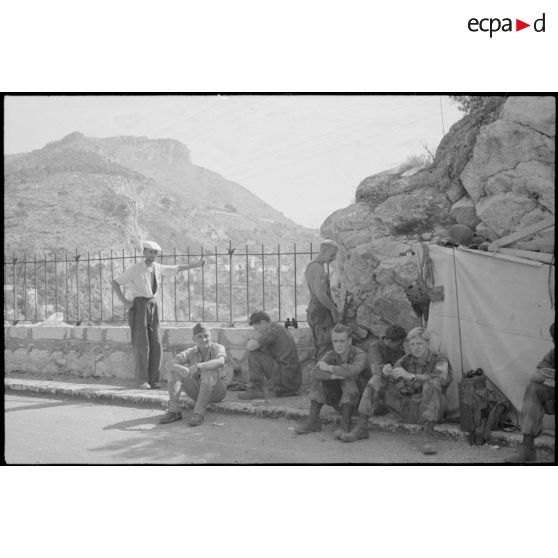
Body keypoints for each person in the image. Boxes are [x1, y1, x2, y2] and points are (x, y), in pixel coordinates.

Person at [111, 240, 204, 389]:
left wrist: (196, 265)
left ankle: (154, 379)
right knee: (142, 344)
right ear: (144, 252)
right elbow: (115, 283)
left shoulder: (157, 268)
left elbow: (176, 268)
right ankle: (141, 380)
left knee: (156, 343)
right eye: (150, 252)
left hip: (152, 305)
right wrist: (126, 303)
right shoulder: (135, 268)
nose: (153, 255)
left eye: (155, 252)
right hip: (139, 305)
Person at [342, 327, 452, 442]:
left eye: (419, 343)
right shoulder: (404, 361)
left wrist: (412, 377)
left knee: (432, 383)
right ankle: (361, 427)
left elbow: (441, 379)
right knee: (377, 380)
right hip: (408, 409)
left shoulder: (440, 359)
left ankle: (428, 436)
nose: (416, 348)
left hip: (431, 412)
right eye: (412, 344)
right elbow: (396, 383)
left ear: (427, 343)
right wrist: (384, 371)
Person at [294, 324, 370, 438]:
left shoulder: (360, 355)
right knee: (319, 381)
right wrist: (334, 376)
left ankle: (345, 425)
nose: (338, 345)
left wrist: (329, 368)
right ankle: (313, 421)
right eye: (335, 341)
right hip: (340, 402)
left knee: (347, 380)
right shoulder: (331, 354)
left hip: (358, 404)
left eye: (342, 341)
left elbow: (352, 371)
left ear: (349, 341)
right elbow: (315, 372)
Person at [340, 325, 407, 442]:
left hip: (393, 393)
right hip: (372, 394)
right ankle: (361, 427)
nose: (401, 346)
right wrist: (387, 370)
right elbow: (376, 370)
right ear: (389, 341)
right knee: (376, 379)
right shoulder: (374, 347)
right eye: (399, 343)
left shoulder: (402, 350)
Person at [159, 323, 227, 426]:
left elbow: (220, 361)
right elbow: (168, 364)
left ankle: (198, 413)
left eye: (206, 336)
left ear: (211, 336)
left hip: (216, 392)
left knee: (208, 370)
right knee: (174, 370)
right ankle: (174, 410)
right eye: (200, 337)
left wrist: (198, 366)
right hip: (197, 392)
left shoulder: (218, 347)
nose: (204, 339)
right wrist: (179, 368)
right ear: (194, 339)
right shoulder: (191, 352)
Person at [507, 323, 555, 463]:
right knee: (533, 389)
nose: (552, 342)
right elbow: (537, 375)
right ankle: (527, 449)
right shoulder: (553, 354)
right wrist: (547, 374)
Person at [238, 311, 302, 399]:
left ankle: (256, 390)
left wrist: (251, 340)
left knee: (253, 353)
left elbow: (251, 347)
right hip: (291, 382)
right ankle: (276, 388)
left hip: (285, 380)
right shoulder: (278, 328)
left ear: (263, 322)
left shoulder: (272, 331)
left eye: (256, 328)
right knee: (258, 349)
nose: (257, 331)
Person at [305, 239, 339, 361]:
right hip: (321, 312)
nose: (333, 258)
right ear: (323, 251)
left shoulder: (313, 266)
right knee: (325, 347)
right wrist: (334, 310)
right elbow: (320, 294)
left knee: (320, 347)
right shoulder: (318, 269)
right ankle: (324, 376)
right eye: (332, 255)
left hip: (315, 309)